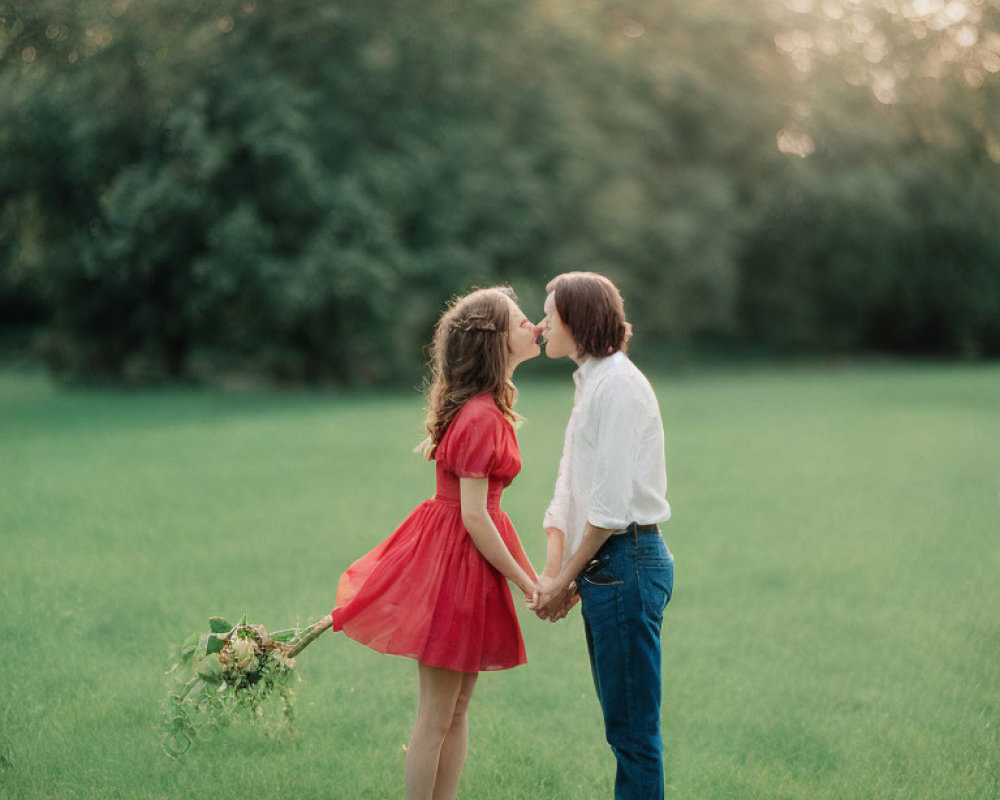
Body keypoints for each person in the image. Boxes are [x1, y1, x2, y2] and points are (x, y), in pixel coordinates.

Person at [330, 286, 541, 800]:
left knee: (457, 708)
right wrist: (528, 582)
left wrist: (529, 576)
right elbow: (474, 516)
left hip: (469, 561)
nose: (533, 325)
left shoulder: (489, 409)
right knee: (436, 714)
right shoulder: (480, 417)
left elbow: (486, 514)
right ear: (495, 343)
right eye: (519, 321)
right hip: (455, 563)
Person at [531, 271, 674, 800]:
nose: (541, 324)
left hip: (627, 562)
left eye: (549, 314)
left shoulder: (616, 387)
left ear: (576, 319)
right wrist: (556, 574)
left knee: (633, 735)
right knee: (624, 730)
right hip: (608, 566)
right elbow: (570, 484)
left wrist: (566, 578)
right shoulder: (592, 381)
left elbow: (610, 508)